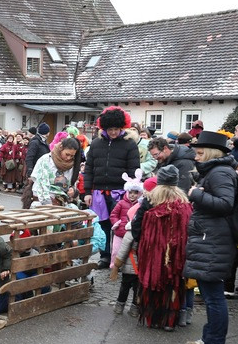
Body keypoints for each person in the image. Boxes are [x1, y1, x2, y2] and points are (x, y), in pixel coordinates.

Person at [183, 130, 237, 344]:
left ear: (212, 153)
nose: (196, 156)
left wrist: (196, 194)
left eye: (200, 152)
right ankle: (209, 340)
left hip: (213, 242)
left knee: (214, 298)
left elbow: (226, 204)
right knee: (210, 295)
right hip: (210, 240)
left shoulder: (220, 173)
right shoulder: (217, 172)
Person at [83, 107, 141, 266]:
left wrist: (132, 192)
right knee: (102, 224)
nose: (113, 132)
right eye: (110, 129)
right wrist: (87, 192)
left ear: (121, 128)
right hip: (99, 192)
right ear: (105, 128)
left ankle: (119, 257)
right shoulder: (95, 144)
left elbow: (134, 170)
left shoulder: (129, 144)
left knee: (120, 224)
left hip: (120, 191)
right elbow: (88, 169)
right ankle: (105, 255)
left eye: (116, 129)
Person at [136, 165, 192, 330]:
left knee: (152, 280)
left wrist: (141, 242)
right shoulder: (184, 202)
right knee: (173, 282)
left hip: (152, 251)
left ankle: (152, 318)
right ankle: (170, 321)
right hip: (176, 252)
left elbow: (137, 224)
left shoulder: (150, 199)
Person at [30, 137, 81, 207]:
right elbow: (42, 183)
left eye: (72, 156)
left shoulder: (71, 165)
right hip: (43, 201)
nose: (69, 158)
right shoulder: (46, 160)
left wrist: (72, 190)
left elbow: (72, 183)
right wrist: (47, 202)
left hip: (62, 201)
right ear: (61, 148)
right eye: (67, 154)